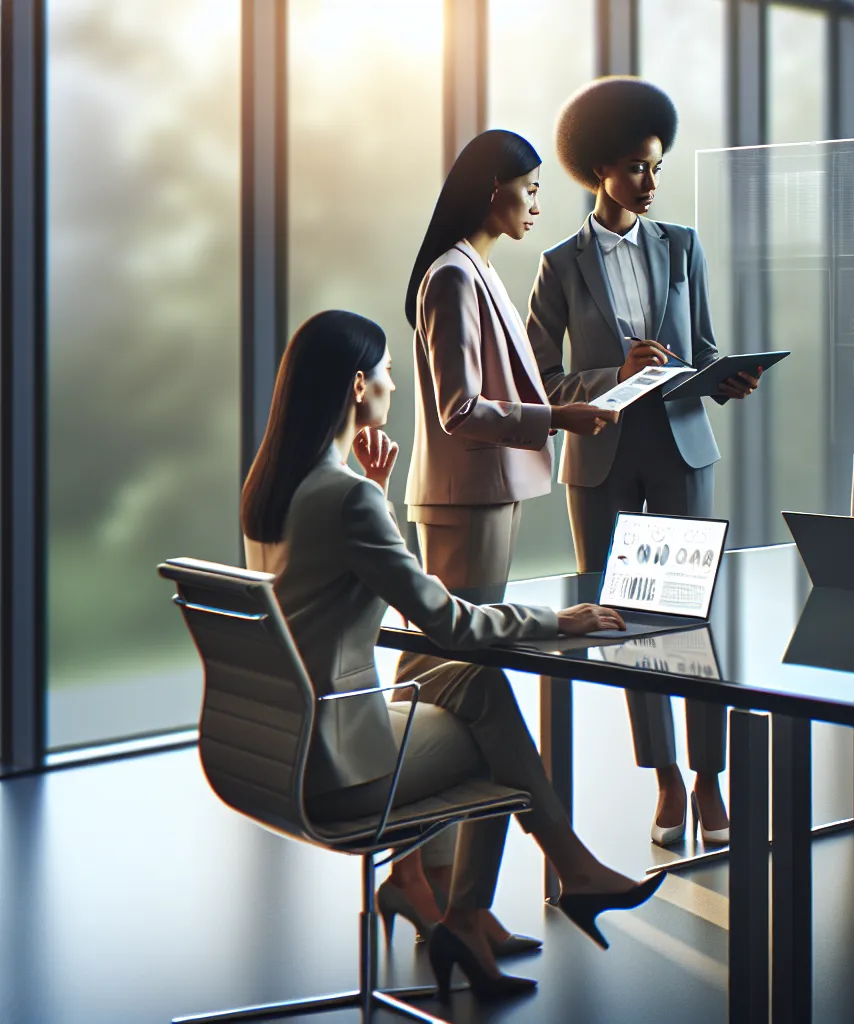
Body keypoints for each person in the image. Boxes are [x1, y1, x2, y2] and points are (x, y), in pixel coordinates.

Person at [241, 310, 661, 1000]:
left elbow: (325, 590)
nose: (394, 384)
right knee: (487, 715)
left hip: (277, 746)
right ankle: (513, 893)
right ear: (355, 388)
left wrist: (374, 499)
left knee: (472, 684)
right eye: (384, 372)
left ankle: (494, 904)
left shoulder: (273, 490)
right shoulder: (345, 499)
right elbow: (447, 621)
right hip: (338, 768)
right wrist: (556, 619)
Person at [390, 128, 614, 951]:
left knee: (445, 682)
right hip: (464, 501)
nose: (536, 202)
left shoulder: (474, 268)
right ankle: (443, 891)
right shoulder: (452, 275)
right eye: (528, 187)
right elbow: (460, 411)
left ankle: (438, 891)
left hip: (485, 498)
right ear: (493, 190)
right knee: (460, 686)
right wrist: (560, 415)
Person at [527, 77, 760, 847]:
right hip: (599, 460)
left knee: (692, 614)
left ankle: (708, 781)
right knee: (623, 618)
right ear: (599, 170)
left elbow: (704, 350)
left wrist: (728, 377)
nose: (651, 182)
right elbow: (537, 382)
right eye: (636, 167)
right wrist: (612, 379)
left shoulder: (682, 246)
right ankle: (663, 779)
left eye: (657, 166)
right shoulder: (559, 267)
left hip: (682, 447)